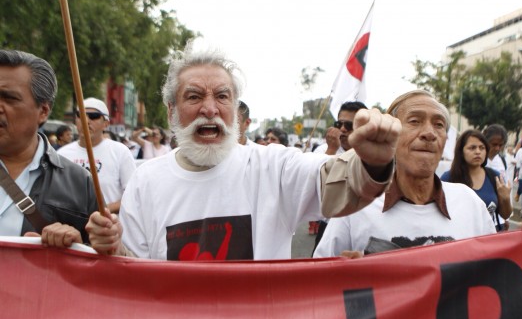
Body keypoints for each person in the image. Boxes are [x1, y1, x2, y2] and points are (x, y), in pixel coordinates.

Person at [85, 40, 399, 260]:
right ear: (171, 112)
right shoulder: (145, 181)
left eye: (222, 97)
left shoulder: (272, 167)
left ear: (235, 111)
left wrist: (373, 162)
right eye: (194, 97)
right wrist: (113, 247)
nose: (209, 109)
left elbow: (340, 183)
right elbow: (135, 272)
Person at [314, 90, 497, 259]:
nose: (429, 133)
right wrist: (347, 275)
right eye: (415, 121)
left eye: (439, 124)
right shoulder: (356, 207)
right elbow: (320, 282)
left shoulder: (469, 203)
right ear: (391, 135)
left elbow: (498, 270)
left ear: (445, 140)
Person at [0, 49, 98, 247]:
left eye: (9, 98)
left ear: (43, 111)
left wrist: (75, 246)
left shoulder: (79, 182)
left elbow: (96, 265)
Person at [57, 98, 136, 214]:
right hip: (70, 228)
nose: (86, 120)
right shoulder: (61, 155)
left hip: (108, 227)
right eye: (81, 115)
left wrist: (102, 210)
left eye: (93, 116)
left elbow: (133, 195)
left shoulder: (120, 152)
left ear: (106, 124)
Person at [311, 101, 367, 240]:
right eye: (339, 124)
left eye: (348, 125)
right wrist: (331, 150)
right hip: (330, 225)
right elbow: (317, 184)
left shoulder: (373, 152)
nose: (342, 129)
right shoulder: (323, 150)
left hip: (362, 225)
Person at [441, 129, 512, 232]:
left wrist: (505, 198)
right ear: (461, 152)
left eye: (482, 148)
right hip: (460, 240)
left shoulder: (495, 177)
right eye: (472, 148)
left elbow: (505, 214)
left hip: (488, 240)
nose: (478, 152)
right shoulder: (448, 178)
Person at [482, 123, 511, 229]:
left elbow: (507, 188)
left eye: (500, 145)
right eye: (494, 144)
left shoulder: (503, 161)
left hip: (499, 220)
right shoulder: (479, 161)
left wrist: (506, 219)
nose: (497, 148)